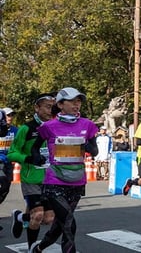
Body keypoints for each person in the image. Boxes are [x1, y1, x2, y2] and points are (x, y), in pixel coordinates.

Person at [28, 87, 99, 253]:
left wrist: (86, 146)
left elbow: (95, 151)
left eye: (79, 101)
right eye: (72, 101)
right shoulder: (49, 126)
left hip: (77, 181)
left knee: (60, 226)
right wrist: (36, 157)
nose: (76, 105)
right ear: (60, 104)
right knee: (69, 223)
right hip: (55, 182)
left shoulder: (87, 125)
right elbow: (35, 148)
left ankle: (38, 249)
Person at [7, 93, 56, 250]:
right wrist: (29, 158)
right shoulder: (26, 129)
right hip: (31, 178)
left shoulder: (56, 126)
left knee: (48, 219)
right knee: (38, 215)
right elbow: (12, 153)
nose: (51, 110)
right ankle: (31, 248)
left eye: (53, 107)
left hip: (50, 179)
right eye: (48, 107)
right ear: (37, 107)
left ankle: (20, 217)